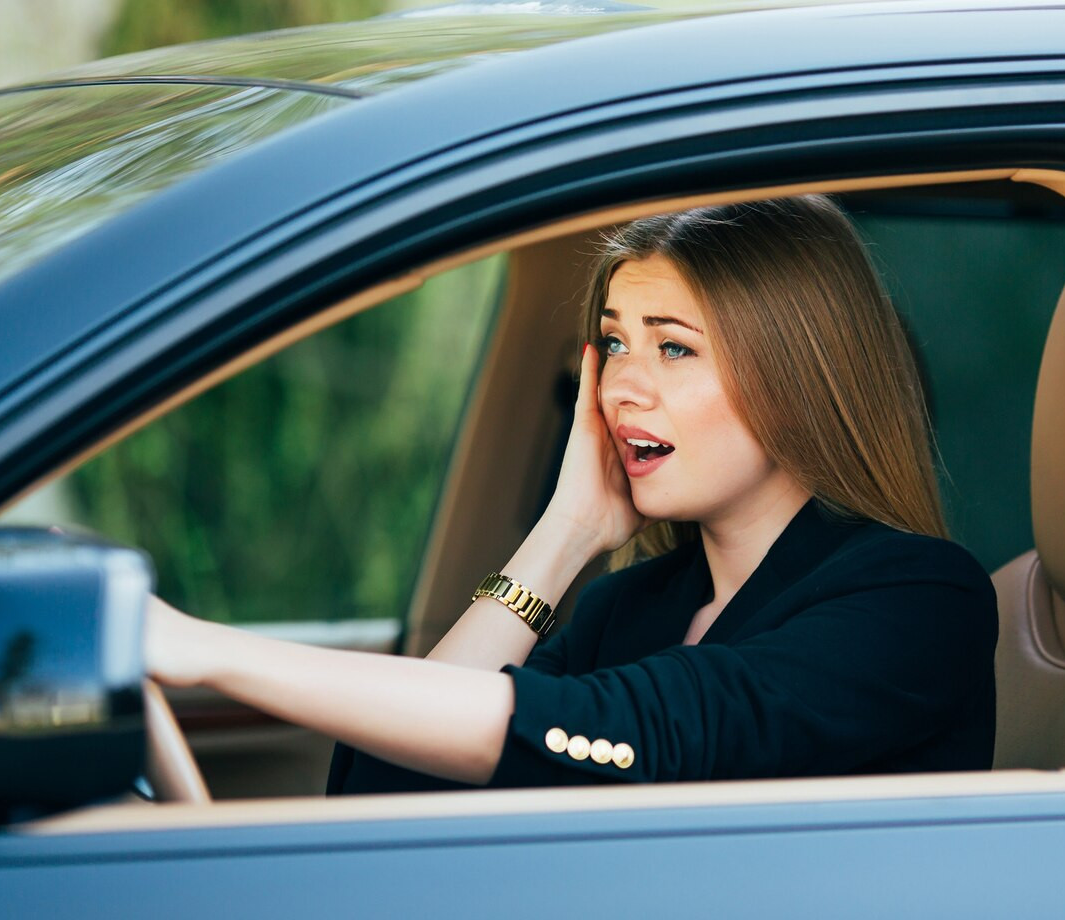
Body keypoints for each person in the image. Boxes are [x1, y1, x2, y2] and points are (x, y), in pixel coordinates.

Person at [146, 194, 998, 794]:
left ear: (796, 378)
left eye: (672, 349)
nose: (621, 387)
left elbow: (652, 732)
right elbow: (389, 781)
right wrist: (565, 532)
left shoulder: (921, 600)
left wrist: (210, 651)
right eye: (613, 345)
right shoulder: (627, 608)